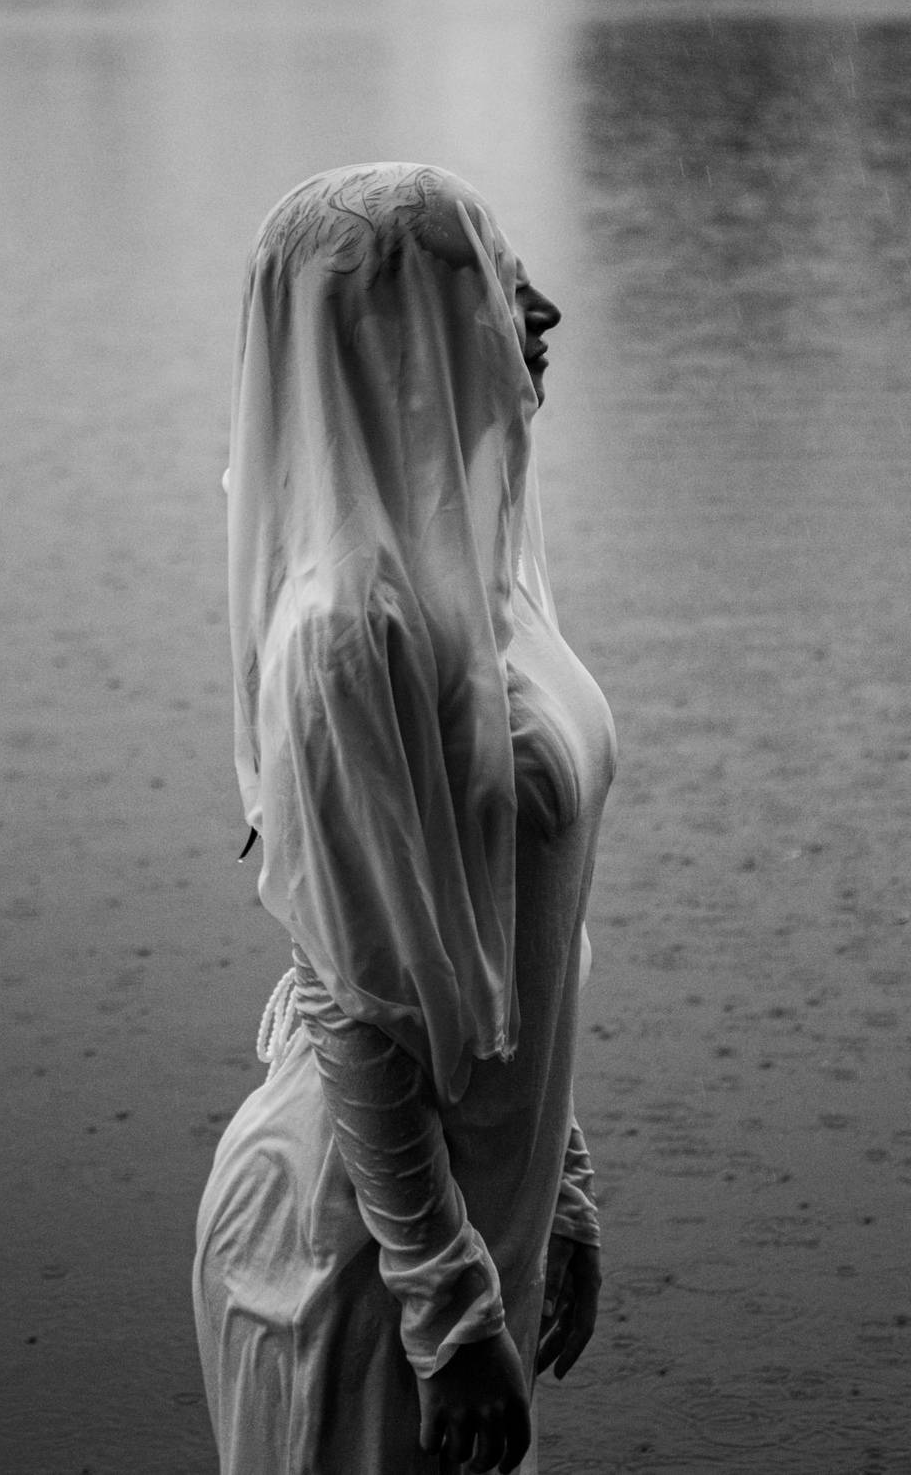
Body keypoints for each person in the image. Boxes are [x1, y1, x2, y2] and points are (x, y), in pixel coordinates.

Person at [193, 163, 616, 1474]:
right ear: (391, 330)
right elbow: (354, 1001)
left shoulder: (480, 578)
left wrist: (563, 1185)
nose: (541, 311)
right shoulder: (346, 636)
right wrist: (446, 1311)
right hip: (359, 1253)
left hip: (473, 1215)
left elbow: (509, 937)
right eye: (490, 279)